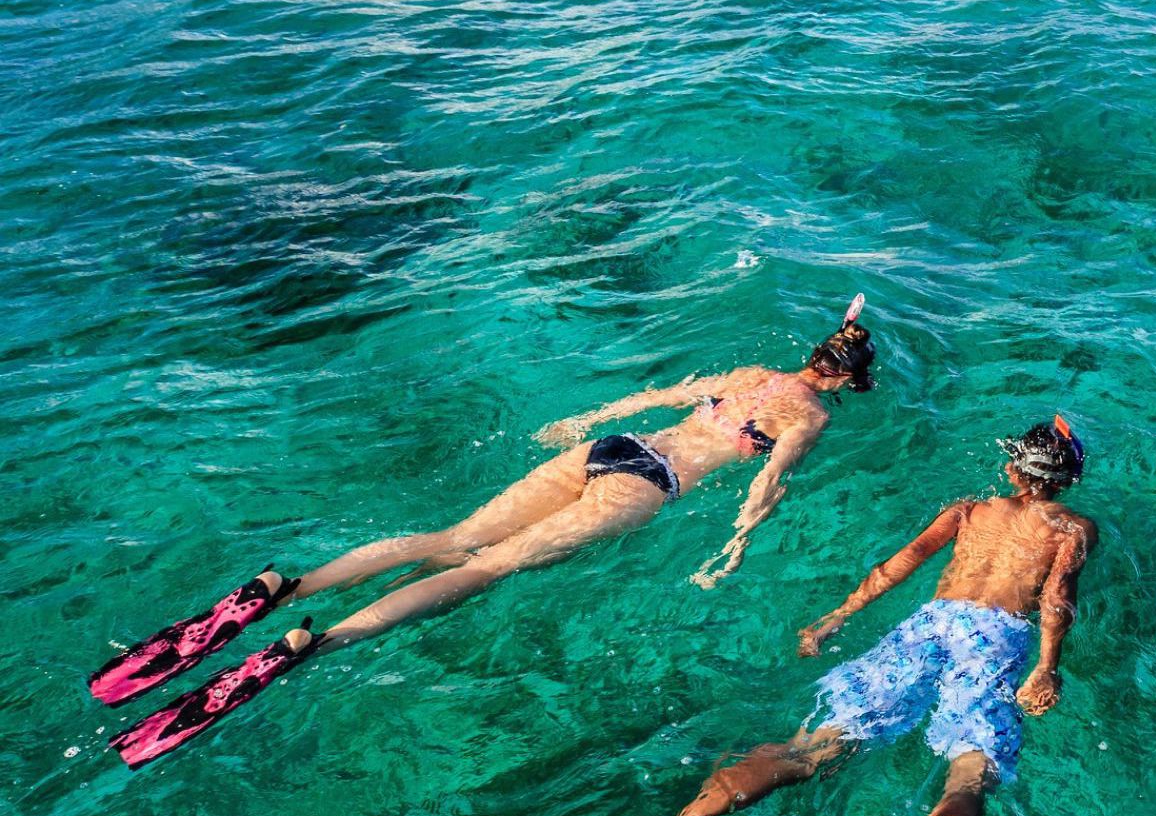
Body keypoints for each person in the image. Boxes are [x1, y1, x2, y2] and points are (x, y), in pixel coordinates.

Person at [91, 297, 878, 769]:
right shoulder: (806, 416)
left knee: (453, 534)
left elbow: (655, 394)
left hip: (610, 450)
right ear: (844, 381)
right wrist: (731, 548)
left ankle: (285, 589)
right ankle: (317, 642)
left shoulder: (747, 376)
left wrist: (583, 420)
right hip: (652, 483)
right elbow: (768, 485)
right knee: (486, 570)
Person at [626, 416, 1097, 816]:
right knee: (970, 773)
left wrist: (839, 614)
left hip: (929, 624)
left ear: (1012, 469)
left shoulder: (969, 511)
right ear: (1066, 480)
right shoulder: (1072, 527)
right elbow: (1057, 599)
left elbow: (902, 561)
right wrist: (1045, 668)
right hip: (994, 637)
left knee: (806, 751)